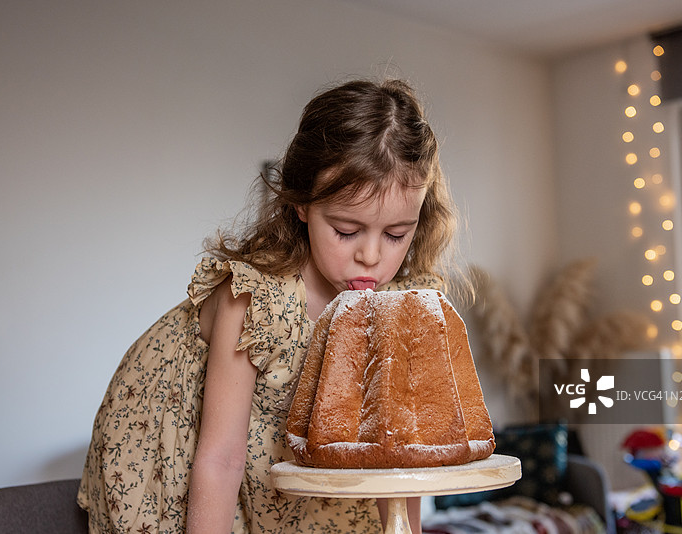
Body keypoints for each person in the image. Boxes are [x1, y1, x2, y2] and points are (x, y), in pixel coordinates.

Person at [77, 78, 461, 534]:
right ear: (301, 205)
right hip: (178, 437)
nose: (372, 257)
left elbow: (395, 458)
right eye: (346, 230)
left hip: (279, 456)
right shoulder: (257, 301)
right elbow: (220, 460)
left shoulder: (400, 303)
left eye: (397, 235)